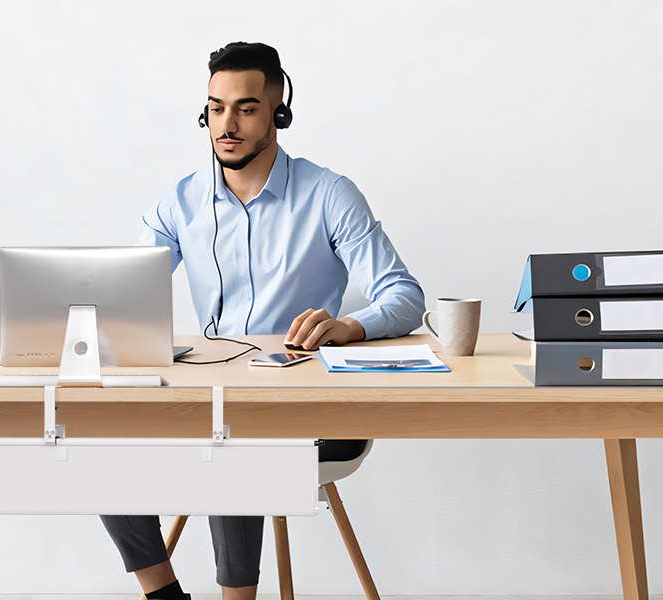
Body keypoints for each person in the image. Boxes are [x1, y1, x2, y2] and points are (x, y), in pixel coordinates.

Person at [101, 42, 425, 600]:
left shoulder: (328, 194)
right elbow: (123, 300)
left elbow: (404, 295)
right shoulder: (179, 203)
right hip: (212, 397)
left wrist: (347, 326)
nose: (226, 124)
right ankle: (163, 593)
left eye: (246, 108)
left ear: (278, 112)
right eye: (215, 108)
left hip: (309, 411)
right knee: (96, 435)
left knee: (229, 436)